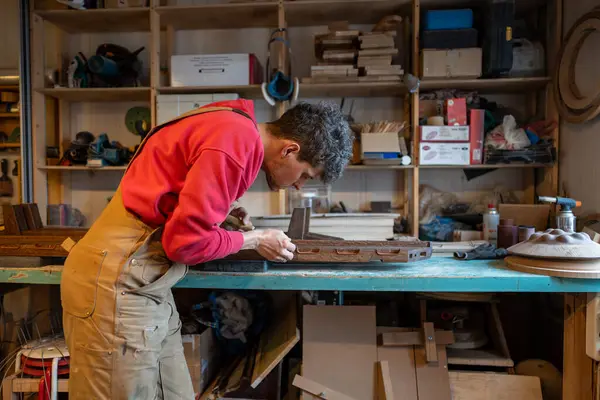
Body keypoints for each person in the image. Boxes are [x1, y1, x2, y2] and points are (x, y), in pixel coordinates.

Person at [61, 99, 353, 399]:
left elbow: (172, 188)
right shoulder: (235, 143)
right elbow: (185, 244)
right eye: (305, 175)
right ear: (289, 149)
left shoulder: (233, 125)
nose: (299, 186)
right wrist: (255, 239)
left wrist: (221, 210)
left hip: (147, 284)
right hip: (115, 283)